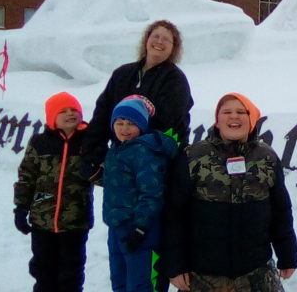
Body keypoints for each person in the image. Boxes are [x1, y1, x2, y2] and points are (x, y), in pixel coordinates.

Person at [161, 93, 297, 292]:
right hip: (203, 274)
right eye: (227, 112)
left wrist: (287, 255)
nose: (234, 116)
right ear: (217, 121)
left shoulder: (266, 157)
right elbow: (174, 214)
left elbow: (281, 210)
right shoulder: (193, 156)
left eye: (241, 112)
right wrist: (174, 265)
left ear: (251, 119)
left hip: (256, 273)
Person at [82, 19, 194, 181]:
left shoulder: (175, 80)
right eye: (155, 36)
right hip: (120, 161)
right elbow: (102, 114)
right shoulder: (122, 74)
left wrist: (138, 152)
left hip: (158, 164)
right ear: (146, 40)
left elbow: (169, 122)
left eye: (166, 39)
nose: (159, 42)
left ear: (173, 48)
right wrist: (92, 154)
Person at [13, 91, 93, 292]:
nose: (70, 114)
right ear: (52, 117)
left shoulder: (88, 142)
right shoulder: (40, 142)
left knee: (71, 273)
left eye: (74, 110)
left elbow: (101, 173)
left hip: (75, 223)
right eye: (63, 111)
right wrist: (21, 209)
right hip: (42, 222)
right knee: (43, 271)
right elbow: (27, 177)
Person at [102, 96, 178, 292]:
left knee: (141, 285)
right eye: (119, 123)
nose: (124, 129)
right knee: (119, 282)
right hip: (117, 226)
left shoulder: (144, 151)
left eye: (130, 123)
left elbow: (151, 192)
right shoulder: (116, 150)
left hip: (141, 230)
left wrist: (141, 227)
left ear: (142, 126)